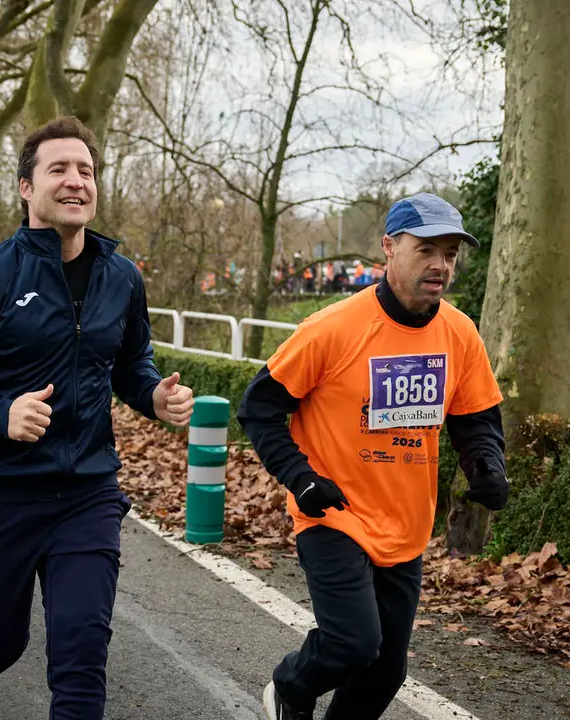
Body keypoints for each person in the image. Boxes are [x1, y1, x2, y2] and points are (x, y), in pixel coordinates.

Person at [0, 116, 195, 720]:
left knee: (82, 663)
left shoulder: (121, 276)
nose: (75, 181)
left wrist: (153, 398)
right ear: (26, 189)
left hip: (85, 494)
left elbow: (129, 361)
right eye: (57, 169)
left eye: (85, 170)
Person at [237, 192, 509, 720]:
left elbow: (475, 418)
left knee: (386, 672)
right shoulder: (332, 328)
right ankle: (291, 686)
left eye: (450, 254)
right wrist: (301, 478)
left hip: (405, 524)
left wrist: (486, 465)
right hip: (333, 513)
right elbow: (259, 408)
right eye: (427, 249)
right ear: (389, 247)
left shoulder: (459, 333)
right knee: (353, 643)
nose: (441, 265)